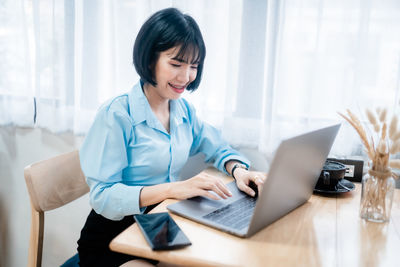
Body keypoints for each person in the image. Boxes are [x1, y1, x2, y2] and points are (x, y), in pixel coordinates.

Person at [77, 7, 264, 267]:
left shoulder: (182, 110)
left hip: (159, 227)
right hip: (112, 237)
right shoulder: (116, 115)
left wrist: (239, 171)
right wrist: (174, 189)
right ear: (149, 58)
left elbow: (217, 147)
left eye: (193, 66)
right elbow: (102, 196)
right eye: (176, 64)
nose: (186, 76)